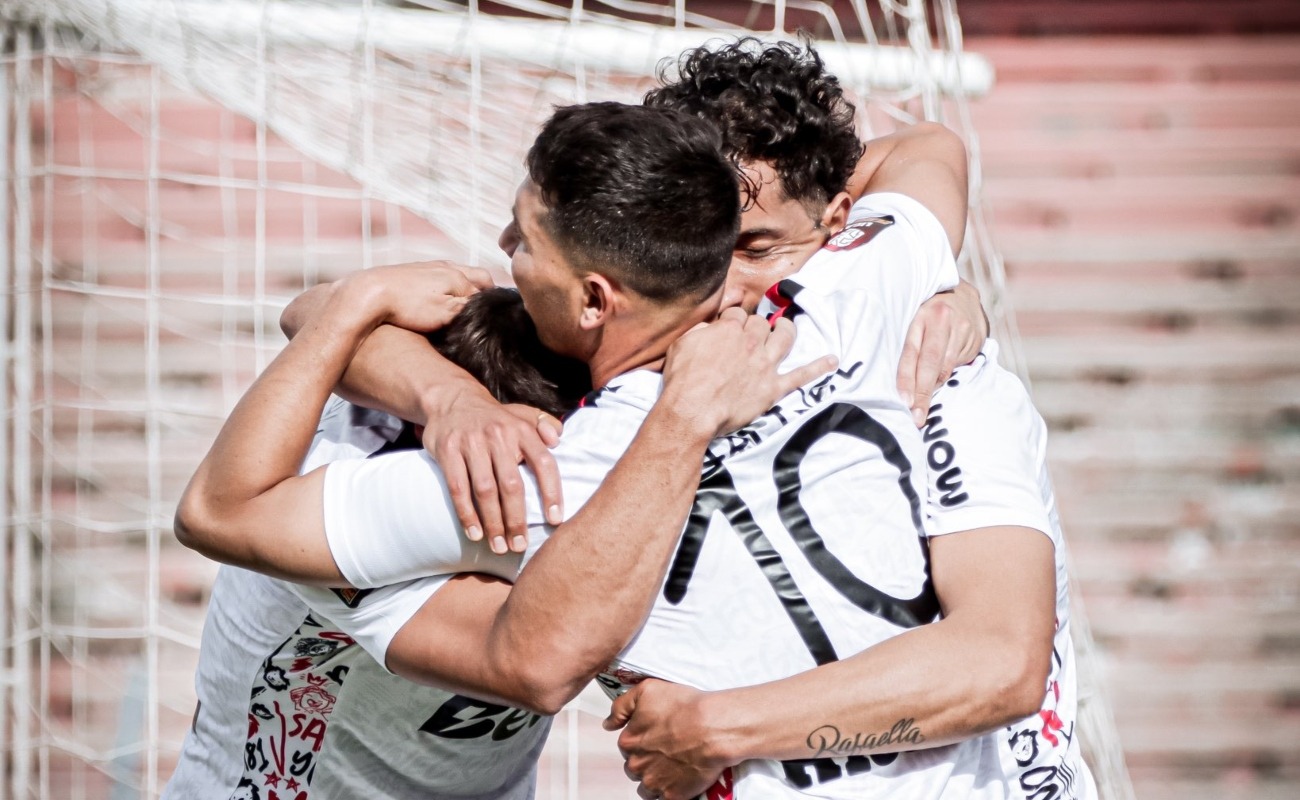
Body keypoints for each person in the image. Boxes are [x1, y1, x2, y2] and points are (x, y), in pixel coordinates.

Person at [271, 39, 1095, 800]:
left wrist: (713, 727)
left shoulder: (912, 334)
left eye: (759, 248)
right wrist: (451, 399)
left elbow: (997, 664)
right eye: (706, 244)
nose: (722, 285)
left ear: (838, 223)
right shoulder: (603, 398)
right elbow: (323, 319)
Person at [167, 101, 837, 799]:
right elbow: (923, 153)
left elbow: (223, 502)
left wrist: (359, 304)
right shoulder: (758, 333)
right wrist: (443, 393)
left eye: (524, 242)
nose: (501, 244)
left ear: (594, 303)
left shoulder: (560, 457)